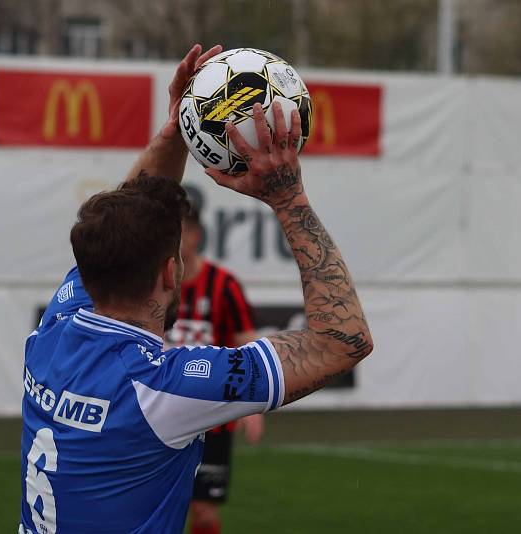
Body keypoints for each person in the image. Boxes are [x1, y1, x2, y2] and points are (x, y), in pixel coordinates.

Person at [20, 44, 373, 534]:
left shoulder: (54, 330)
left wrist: (179, 132)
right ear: (170, 273)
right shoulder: (163, 389)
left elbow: (131, 217)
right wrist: (289, 198)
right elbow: (343, 340)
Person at [167, 203, 263, 534]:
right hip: (161, 411)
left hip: (213, 418)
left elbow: (247, 344)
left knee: (204, 511)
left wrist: (253, 405)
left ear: (195, 236)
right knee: (155, 505)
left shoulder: (224, 285)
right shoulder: (155, 283)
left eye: (177, 233)